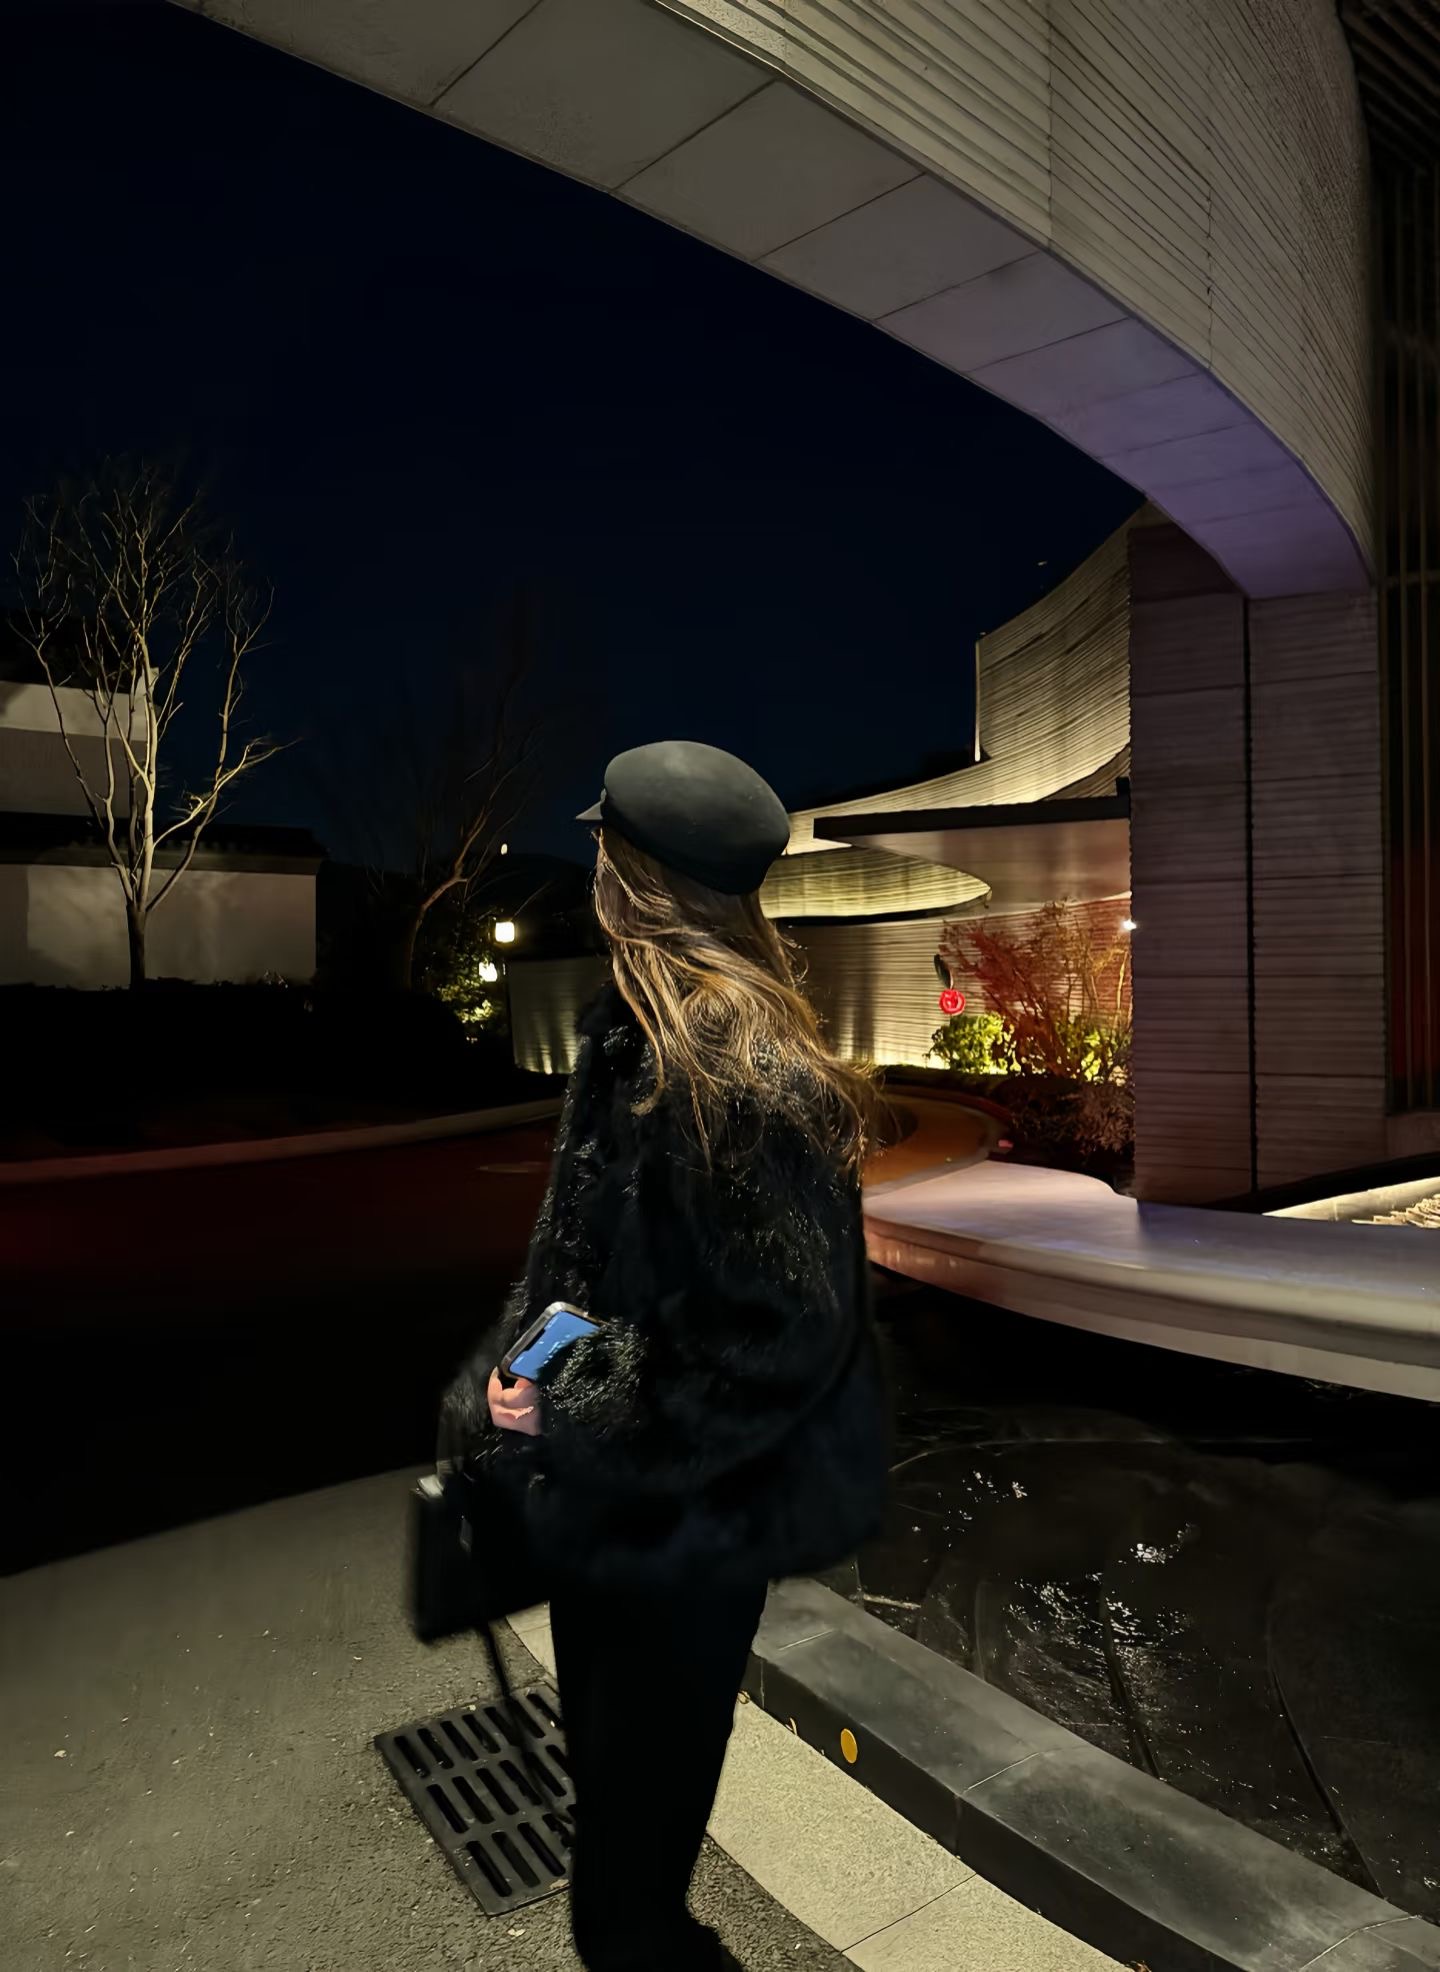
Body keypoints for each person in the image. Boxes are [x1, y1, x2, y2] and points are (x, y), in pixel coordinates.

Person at [440, 740, 892, 1972]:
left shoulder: (748, 1075)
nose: (589, 865)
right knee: (617, 1843)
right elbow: (580, 1266)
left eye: (603, 847)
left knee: (627, 1900)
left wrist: (577, 1401)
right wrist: (511, 1374)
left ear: (638, 878)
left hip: (690, 1536)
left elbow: (780, 1340)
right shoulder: (631, 1038)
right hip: (613, 1512)